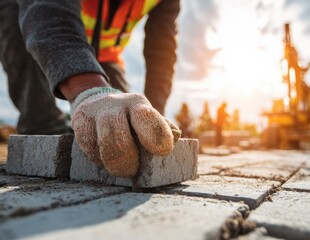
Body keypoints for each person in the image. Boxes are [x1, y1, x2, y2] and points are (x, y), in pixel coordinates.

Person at [0, 0, 181, 177]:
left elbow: (161, 51)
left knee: (121, 126)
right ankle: (43, 132)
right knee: (43, 122)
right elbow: (47, 12)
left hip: (105, 57)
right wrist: (90, 90)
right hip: (39, 23)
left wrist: (151, 119)